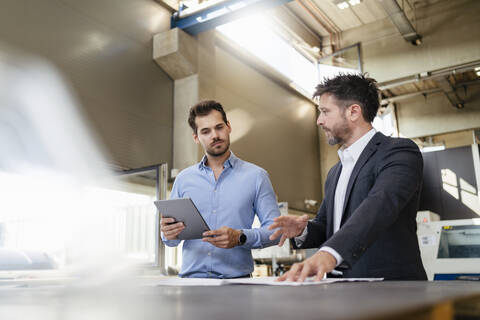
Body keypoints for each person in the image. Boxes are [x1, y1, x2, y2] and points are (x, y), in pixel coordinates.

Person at [269, 74, 427, 281]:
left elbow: (380, 205)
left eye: (325, 112)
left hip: (390, 288)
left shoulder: (398, 152)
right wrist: (303, 230)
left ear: (353, 112)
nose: (319, 121)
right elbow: (328, 226)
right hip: (340, 287)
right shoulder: (336, 171)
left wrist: (329, 253)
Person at [160, 100, 280, 278]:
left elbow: (276, 231)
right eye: (205, 131)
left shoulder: (257, 176)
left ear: (229, 127)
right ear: (196, 137)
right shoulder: (184, 179)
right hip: (191, 284)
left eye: (219, 127)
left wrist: (240, 237)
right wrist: (168, 234)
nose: (215, 135)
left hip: (237, 285)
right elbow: (169, 242)